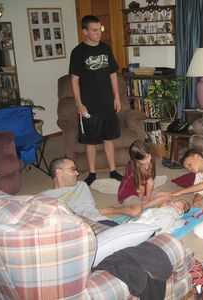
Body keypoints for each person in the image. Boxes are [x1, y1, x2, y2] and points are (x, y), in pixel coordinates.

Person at [69, 15, 123, 186]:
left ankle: (113, 170)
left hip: (107, 102)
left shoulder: (106, 48)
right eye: (93, 30)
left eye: (99, 29)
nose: (98, 33)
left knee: (109, 139)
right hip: (89, 106)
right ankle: (92, 173)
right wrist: (79, 103)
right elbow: (74, 80)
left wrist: (117, 97)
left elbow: (113, 74)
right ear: (85, 31)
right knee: (90, 141)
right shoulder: (78, 52)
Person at [40, 157, 118, 227]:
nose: (77, 173)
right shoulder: (45, 197)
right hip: (75, 228)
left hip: (100, 222)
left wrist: (106, 211)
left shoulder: (81, 186)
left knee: (126, 233)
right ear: (59, 172)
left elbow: (89, 208)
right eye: (73, 169)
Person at [100, 140, 170, 218]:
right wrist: (141, 202)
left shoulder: (150, 160)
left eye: (149, 156)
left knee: (168, 196)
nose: (148, 160)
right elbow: (141, 190)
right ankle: (113, 210)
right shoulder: (134, 169)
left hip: (142, 193)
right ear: (136, 160)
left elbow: (150, 182)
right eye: (144, 159)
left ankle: (143, 207)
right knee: (136, 212)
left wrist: (148, 198)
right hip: (129, 194)